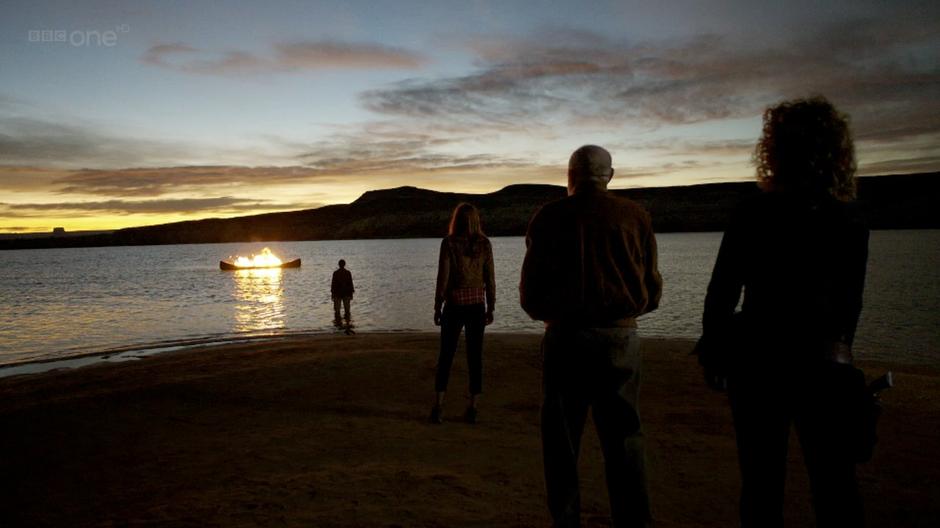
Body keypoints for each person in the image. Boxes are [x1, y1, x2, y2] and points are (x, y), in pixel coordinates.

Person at [698, 97, 869, 528]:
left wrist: (715, 352)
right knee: (835, 484)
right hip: (823, 361)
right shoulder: (847, 215)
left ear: (774, 148)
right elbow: (851, 301)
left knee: (760, 482)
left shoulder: (753, 210)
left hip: (757, 359)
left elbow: (722, 290)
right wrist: (840, 352)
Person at [520, 145, 662, 528]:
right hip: (620, 339)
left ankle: (566, 520)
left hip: (565, 339)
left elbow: (530, 294)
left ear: (569, 177)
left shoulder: (548, 217)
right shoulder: (635, 216)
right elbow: (652, 289)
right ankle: (634, 521)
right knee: (625, 439)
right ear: (609, 175)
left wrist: (554, 315)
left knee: (562, 442)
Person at [431, 203, 495, 425]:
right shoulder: (485, 244)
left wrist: (437, 305)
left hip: (455, 305)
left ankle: (439, 407)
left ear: (455, 220)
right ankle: (473, 409)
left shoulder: (448, 243)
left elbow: (443, 277)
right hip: (477, 305)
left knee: (446, 356)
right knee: (474, 357)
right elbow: (490, 278)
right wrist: (491, 306)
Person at [331, 259, 354, 323]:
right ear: (344, 264)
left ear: (339, 264)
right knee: (347, 310)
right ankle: (347, 323)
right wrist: (351, 293)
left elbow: (333, 284)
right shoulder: (348, 273)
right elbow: (351, 284)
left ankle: (338, 324)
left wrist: (332, 294)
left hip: (337, 293)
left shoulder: (335, 273)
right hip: (346, 293)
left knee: (337, 311)